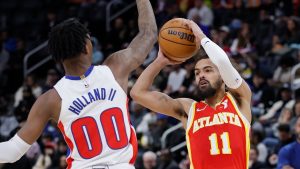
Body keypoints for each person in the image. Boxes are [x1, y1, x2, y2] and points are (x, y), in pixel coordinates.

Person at [0, 0, 157, 168]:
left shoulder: (50, 100)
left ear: (57, 58)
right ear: (87, 47)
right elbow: (149, 34)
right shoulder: (115, 69)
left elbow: (12, 151)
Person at [130, 20, 252, 169]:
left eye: (208, 70)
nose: (201, 76)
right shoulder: (188, 109)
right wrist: (160, 62)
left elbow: (221, 60)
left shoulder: (240, 100)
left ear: (223, 75)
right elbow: (137, 93)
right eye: (197, 73)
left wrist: (200, 35)